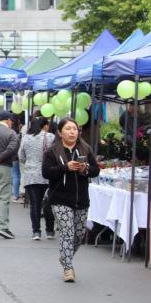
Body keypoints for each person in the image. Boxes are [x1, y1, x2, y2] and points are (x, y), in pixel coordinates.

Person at [42, 118, 99, 283]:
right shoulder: (53, 151)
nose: (72, 132)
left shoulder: (85, 148)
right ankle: (68, 268)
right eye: (68, 129)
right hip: (60, 198)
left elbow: (95, 170)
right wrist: (65, 168)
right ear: (60, 132)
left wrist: (85, 168)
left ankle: (65, 257)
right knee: (67, 232)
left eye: (75, 129)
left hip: (81, 198)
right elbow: (46, 172)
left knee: (79, 235)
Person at [18, 117, 55, 241]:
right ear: (44, 125)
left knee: (35, 204)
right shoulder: (50, 137)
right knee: (49, 203)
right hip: (48, 174)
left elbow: (21, 156)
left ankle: (36, 232)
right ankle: (50, 231)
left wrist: (30, 162)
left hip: (31, 175)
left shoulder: (26, 137)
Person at [10, 115, 23, 203]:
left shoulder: (10, 131)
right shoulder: (20, 132)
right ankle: (16, 194)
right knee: (17, 175)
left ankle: (15, 194)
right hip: (19, 156)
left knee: (14, 175)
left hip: (12, 156)